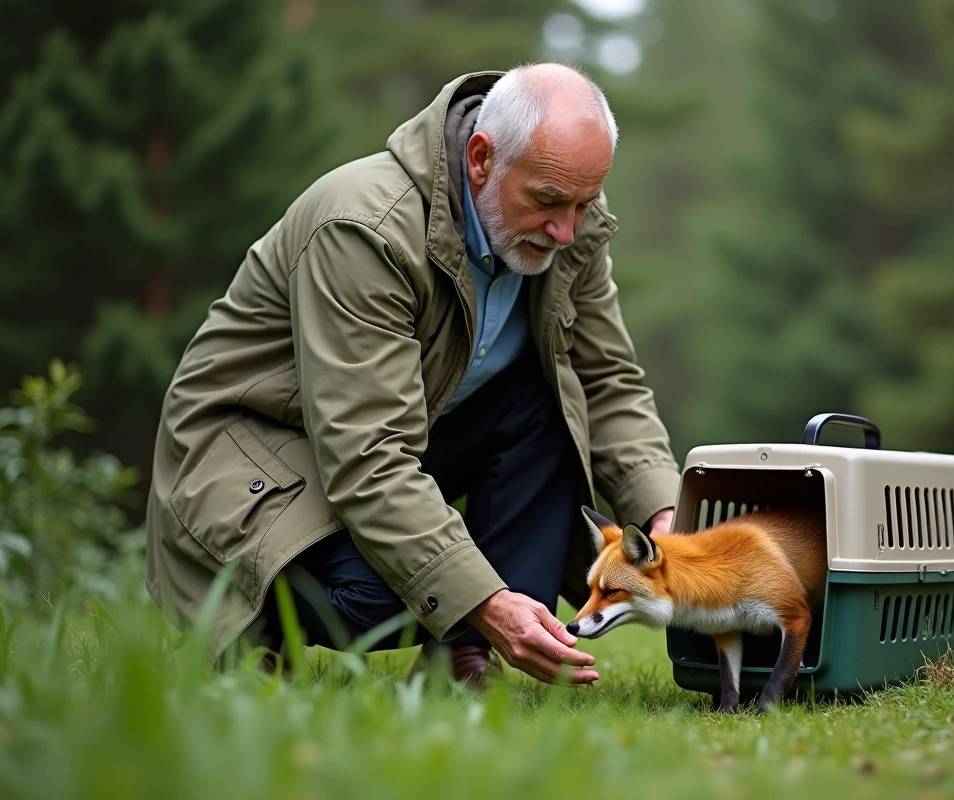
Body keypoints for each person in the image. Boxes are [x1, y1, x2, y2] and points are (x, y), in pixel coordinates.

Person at [142, 62, 680, 690]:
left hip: (379, 446)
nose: (567, 230)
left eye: (584, 204)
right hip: (249, 467)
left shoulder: (562, 211)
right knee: (386, 592)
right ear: (481, 159)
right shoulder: (363, 228)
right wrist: (479, 598)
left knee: (551, 401)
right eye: (548, 204)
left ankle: (463, 654)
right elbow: (367, 454)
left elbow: (606, 378)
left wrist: (668, 521)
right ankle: (259, 626)